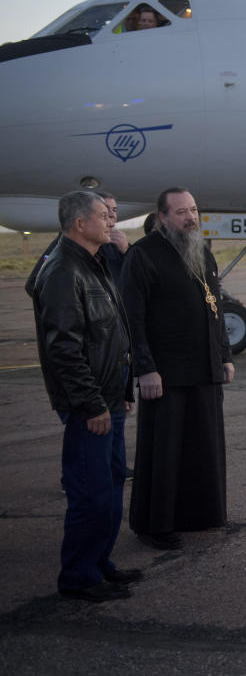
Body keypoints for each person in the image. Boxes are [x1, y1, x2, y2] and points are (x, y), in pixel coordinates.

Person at [33, 191, 140, 602]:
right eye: (103, 216)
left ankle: (100, 564)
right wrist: (91, 403)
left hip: (109, 398)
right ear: (80, 223)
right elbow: (64, 348)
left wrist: (121, 391)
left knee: (110, 489)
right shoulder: (63, 270)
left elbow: (112, 332)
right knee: (90, 494)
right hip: (89, 407)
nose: (111, 222)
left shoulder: (92, 263)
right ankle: (79, 576)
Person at [121, 188, 234, 551]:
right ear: (163, 217)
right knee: (165, 452)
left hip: (203, 368)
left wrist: (225, 355)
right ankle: (156, 524)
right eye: (182, 212)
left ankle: (199, 515)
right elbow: (133, 318)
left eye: (194, 210)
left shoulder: (200, 250)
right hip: (165, 373)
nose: (190, 217)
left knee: (203, 445)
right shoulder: (143, 255)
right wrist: (145, 368)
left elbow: (214, 307)